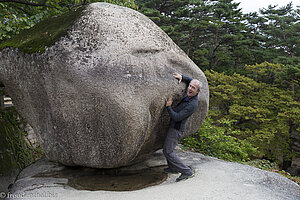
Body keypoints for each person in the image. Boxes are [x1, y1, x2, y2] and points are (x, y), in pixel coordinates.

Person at [163, 72, 201, 182]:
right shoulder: (191, 93)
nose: (189, 88)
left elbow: (177, 117)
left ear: (197, 92)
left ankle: (186, 171)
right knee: (167, 147)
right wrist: (182, 77)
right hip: (174, 126)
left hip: (177, 128)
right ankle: (173, 167)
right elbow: (191, 80)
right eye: (190, 86)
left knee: (168, 151)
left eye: (193, 88)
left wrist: (168, 107)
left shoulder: (192, 104)